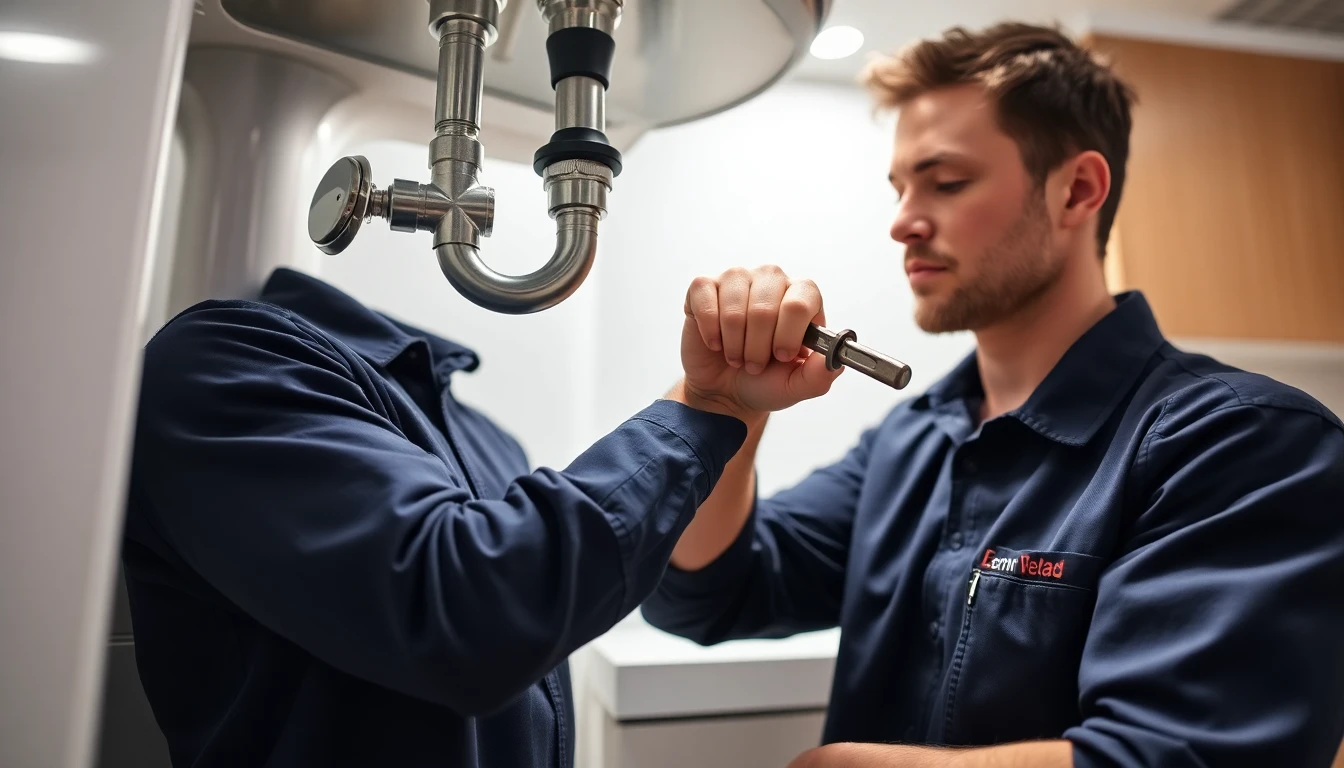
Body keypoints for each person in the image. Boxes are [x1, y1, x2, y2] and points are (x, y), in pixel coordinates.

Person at [641, 21, 1344, 768]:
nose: (903, 222)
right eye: (901, 187)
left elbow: (1182, 755)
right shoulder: (909, 443)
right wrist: (722, 412)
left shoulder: (1245, 445)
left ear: (1077, 190)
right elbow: (708, 592)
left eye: (946, 183)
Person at [120, 265, 842, 767]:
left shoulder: (487, 439)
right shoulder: (224, 361)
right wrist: (706, 410)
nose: (904, 218)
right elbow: (476, 610)